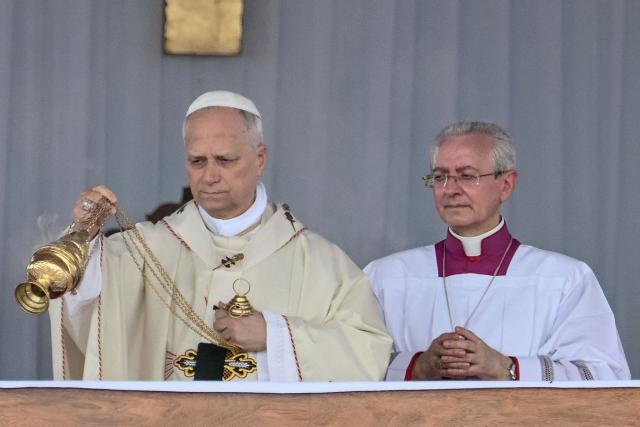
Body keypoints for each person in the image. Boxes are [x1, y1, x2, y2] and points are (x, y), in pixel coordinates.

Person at [50, 90, 392, 381]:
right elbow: (87, 304)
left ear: (260, 159)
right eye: (197, 161)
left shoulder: (318, 261)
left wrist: (275, 335)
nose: (210, 175)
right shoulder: (145, 250)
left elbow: (369, 350)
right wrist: (85, 236)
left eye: (225, 160)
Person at [364, 121, 630, 381]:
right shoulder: (386, 277)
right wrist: (418, 367)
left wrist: (505, 367)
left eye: (467, 175)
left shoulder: (564, 279)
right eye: (440, 177)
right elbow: (344, 366)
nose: (450, 190)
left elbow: (603, 377)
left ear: (506, 185)